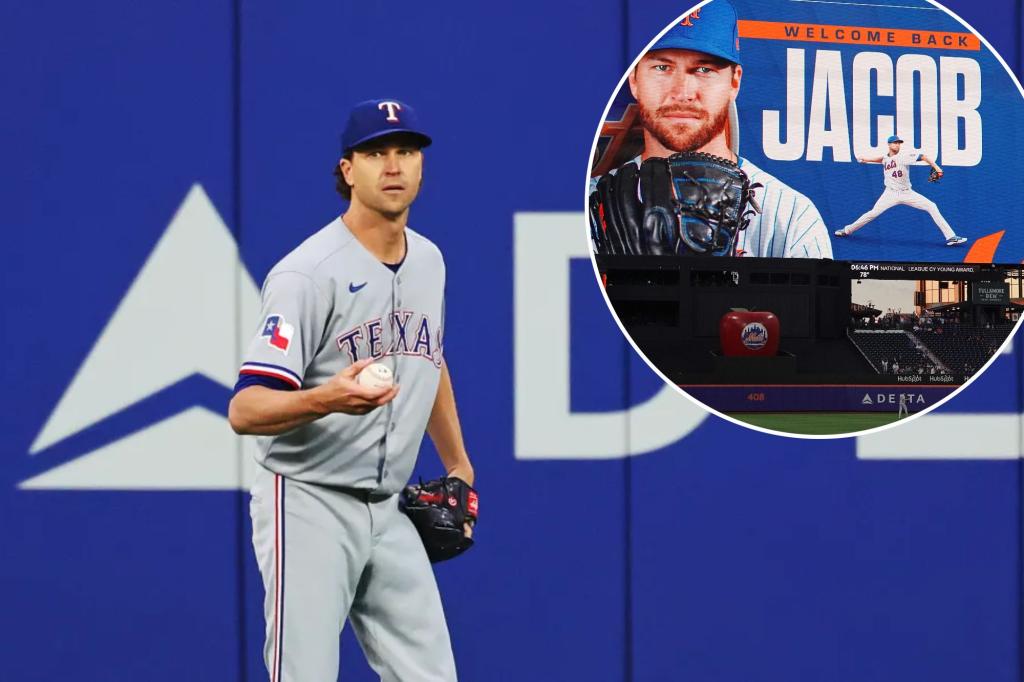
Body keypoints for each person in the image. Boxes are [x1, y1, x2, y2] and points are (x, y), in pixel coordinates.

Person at [228, 98, 474, 682]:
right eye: (376, 153)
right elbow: (245, 409)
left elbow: (429, 358)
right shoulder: (305, 275)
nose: (393, 166)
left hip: (388, 509)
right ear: (348, 170)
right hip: (309, 500)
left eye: (406, 152)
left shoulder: (430, 262)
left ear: (421, 166)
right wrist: (326, 398)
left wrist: (459, 462)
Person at [590, 0, 832, 258]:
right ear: (634, 80)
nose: (682, 93)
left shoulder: (791, 215)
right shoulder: (589, 206)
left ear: (734, 82)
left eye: (704, 69)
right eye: (662, 67)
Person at [834, 135, 968, 246]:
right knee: (872, 213)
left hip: (907, 193)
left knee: (931, 206)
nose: (898, 145)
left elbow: (924, 156)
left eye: (899, 143)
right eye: (895, 143)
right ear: (889, 144)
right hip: (890, 193)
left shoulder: (904, 156)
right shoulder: (886, 157)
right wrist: (867, 159)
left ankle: (951, 237)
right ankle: (847, 230)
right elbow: (883, 159)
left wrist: (937, 168)